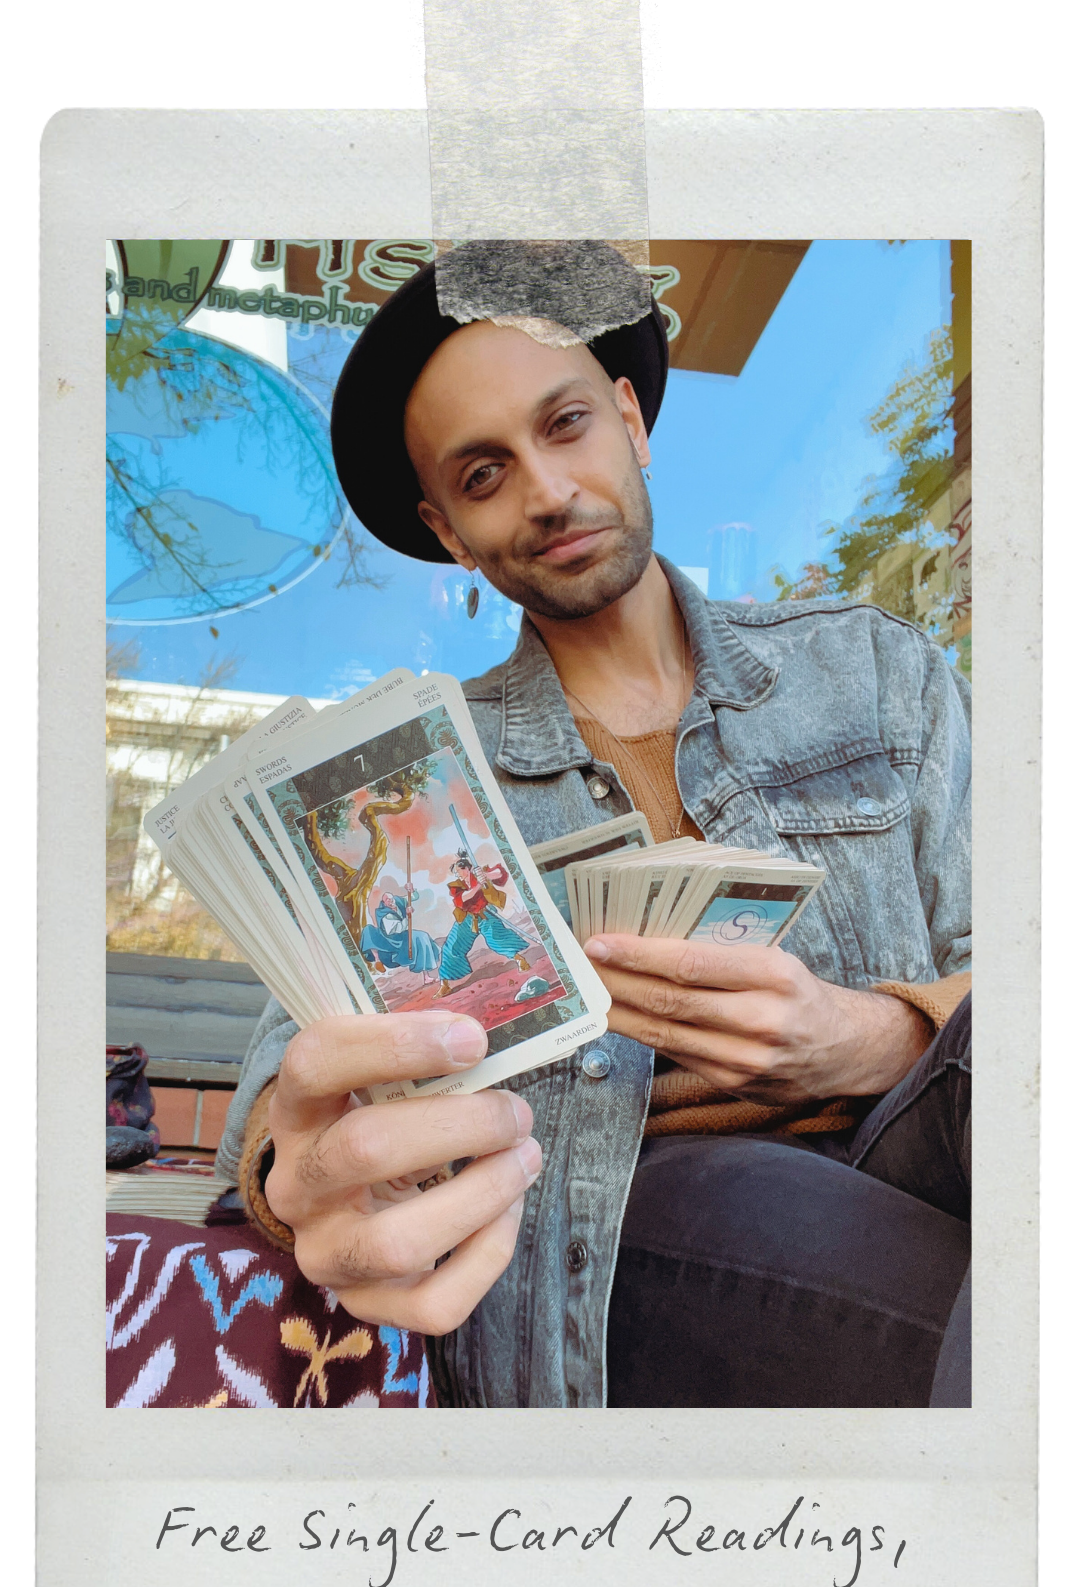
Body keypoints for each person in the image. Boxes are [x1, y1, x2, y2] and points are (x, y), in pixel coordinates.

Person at [216, 242, 971, 1409]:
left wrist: (872, 1038)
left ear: (631, 419)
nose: (546, 489)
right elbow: (285, 1085)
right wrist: (299, 1162)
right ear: (449, 532)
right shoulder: (416, 777)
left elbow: (1015, 971)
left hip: (945, 1139)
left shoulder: (874, 668)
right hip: (645, 1213)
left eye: (564, 424)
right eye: (482, 476)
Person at [436, 853, 532, 996]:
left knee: (497, 939)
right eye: (456, 873)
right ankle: (445, 984)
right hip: (467, 918)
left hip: (485, 914)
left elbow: (501, 873)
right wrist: (478, 886)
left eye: (459, 871)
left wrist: (486, 875)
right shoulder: (457, 885)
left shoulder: (480, 872)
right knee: (452, 945)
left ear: (466, 868)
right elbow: (462, 898)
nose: (458, 875)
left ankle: (520, 960)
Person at [359, 887, 439, 979]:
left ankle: (427, 975)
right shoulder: (385, 915)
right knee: (419, 939)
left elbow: (413, 897)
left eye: (391, 898)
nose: (390, 901)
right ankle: (426, 976)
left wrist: (411, 890)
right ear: (384, 903)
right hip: (394, 939)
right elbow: (396, 930)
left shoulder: (398, 901)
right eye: (387, 900)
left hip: (403, 933)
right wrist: (407, 916)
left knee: (423, 936)